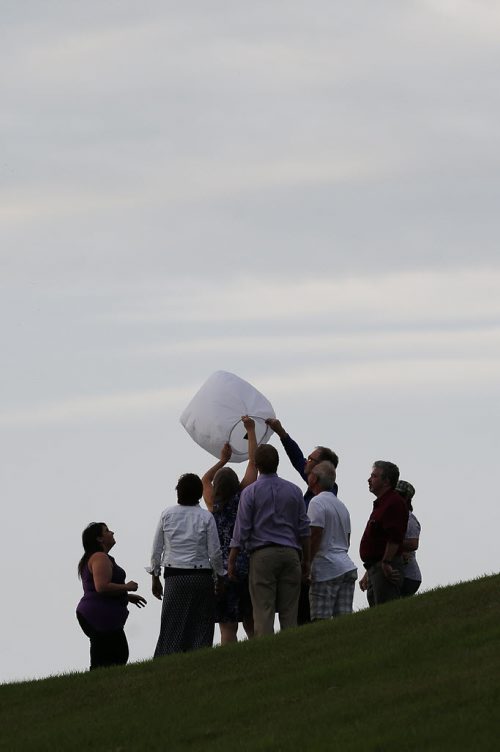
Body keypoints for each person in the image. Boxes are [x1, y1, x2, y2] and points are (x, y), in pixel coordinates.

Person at [228, 444, 310, 637]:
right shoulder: (294, 490)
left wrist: (232, 559)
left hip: (262, 555)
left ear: (256, 465)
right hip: (291, 553)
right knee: (290, 610)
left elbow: (242, 530)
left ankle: (266, 653)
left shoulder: (250, 492)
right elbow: (304, 528)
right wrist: (307, 560)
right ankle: (291, 650)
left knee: (263, 610)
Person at [265, 417, 339, 625]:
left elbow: (314, 532)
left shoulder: (325, 491)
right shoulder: (319, 489)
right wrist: (281, 434)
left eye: (311, 459)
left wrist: (306, 561)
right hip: (309, 558)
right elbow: (297, 459)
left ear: (322, 468)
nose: (306, 462)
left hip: (314, 561)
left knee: (305, 613)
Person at [149, 473, 224, 656]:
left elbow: (156, 549)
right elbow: (214, 552)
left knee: (172, 627)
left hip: (175, 577)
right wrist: (219, 577)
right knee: (201, 627)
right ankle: (200, 661)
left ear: (178, 492)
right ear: (199, 494)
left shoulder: (167, 514)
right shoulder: (206, 517)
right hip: (201, 577)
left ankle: (167, 662)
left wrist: (155, 577)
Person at [201, 415, 257, 644]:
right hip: (245, 564)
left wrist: (222, 460)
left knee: (227, 625)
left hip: (220, 571)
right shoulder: (244, 498)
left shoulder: (213, 504)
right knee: (251, 620)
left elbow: (204, 479)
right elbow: (254, 463)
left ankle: (228, 658)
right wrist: (250, 431)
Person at [76, 522, 147, 671]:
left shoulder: (98, 557)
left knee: (114, 655)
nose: (112, 532)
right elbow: (101, 587)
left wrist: (126, 596)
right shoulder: (99, 557)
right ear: (99, 539)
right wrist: (127, 587)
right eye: (107, 531)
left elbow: (98, 590)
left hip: (99, 613)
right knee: (109, 657)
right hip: (99, 615)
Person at [307, 461, 357, 619]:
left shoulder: (316, 502)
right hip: (346, 566)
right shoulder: (341, 506)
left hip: (326, 569)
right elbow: (347, 540)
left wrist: (307, 564)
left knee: (320, 621)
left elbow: (315, 533)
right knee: (344, 622)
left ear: (314, 479)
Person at [359, 461, 409, 607]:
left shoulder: (393, 503)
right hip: (376, 568)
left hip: (385, 568)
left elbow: (394, 537)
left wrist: (386, 563)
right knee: (377, 614)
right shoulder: (382, 503)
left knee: (387, 611)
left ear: (386, 481)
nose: (369, 479)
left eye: (374, 476)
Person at [396, 480, 422, 597]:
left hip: (408, 576)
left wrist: (391, 543)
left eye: (399, 495)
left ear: (406, 498)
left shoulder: (409, 519)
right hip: (398, 572)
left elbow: (413, 543)